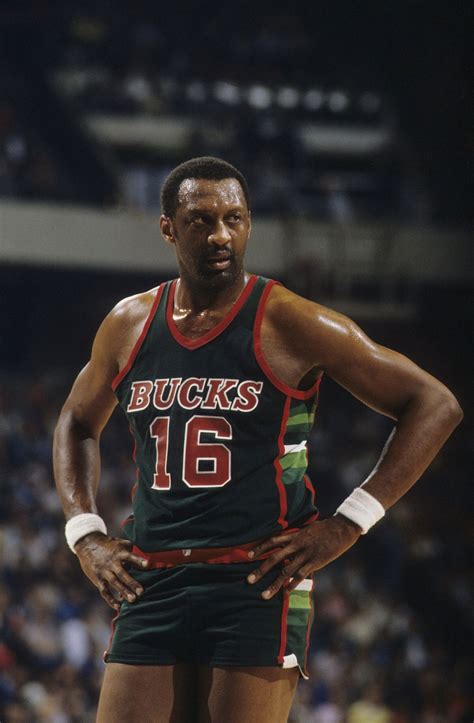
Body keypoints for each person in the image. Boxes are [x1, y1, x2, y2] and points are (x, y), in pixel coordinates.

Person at [53, 157, 462, 723]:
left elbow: (435, 404)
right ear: (168, 227)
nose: (221, 235)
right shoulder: (129, 322)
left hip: (255, 582)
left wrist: (349, 523)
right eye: (201, 220)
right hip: (150, 580)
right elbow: (76, 422)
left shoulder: (291, 320)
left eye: (234, 218)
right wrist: (84, 534)